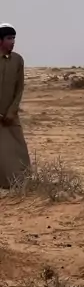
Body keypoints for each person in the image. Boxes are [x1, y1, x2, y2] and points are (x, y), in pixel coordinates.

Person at [0, 23, 30, 189]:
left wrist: (12, 111)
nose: (12, 42)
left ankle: (21, 183)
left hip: (10, 116)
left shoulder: (18, 60)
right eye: (9, 38)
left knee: (18, 150)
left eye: (14, 38)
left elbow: (19, 88)